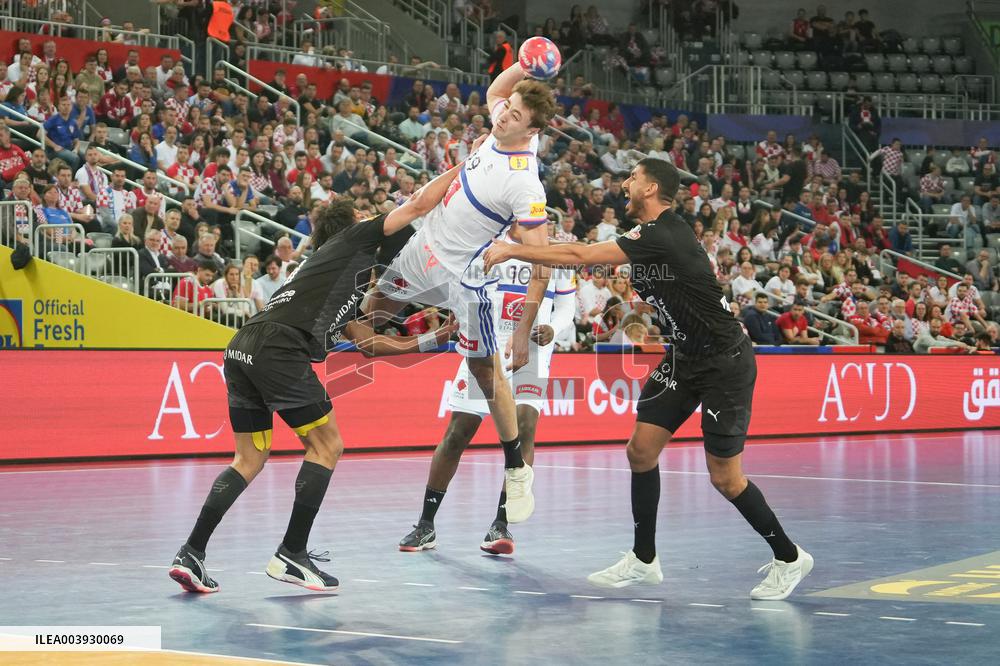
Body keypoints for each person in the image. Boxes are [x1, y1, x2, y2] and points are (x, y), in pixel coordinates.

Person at [483, 158, 813, 599]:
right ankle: (643, 559)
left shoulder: (662, 233)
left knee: (726, 478)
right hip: (684, 358)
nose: (626, 182)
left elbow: (582, 256)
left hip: (724, 362)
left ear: (652, 188)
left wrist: (514, 248)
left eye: (634, 178)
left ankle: (790, 558)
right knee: (641, 451)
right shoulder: (652, 237)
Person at [168, 167, 464, 595]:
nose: (372, 218)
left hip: (242, 347)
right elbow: (417, 204)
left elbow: (369, 344)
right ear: (351, 226)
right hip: (279, 348)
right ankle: (292, 552)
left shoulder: (328, 276)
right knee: (327, 445)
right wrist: (467, 164)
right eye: (363, 214)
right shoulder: (353, 240)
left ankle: (191, 552)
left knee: (248, 459)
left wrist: (436, 337)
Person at [365, 62, 558, 528]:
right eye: (506, 109)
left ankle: (516, 468)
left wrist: (524, 333)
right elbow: (495, 86)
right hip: (424, 248)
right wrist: (524, 66)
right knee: (371, 310)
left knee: (486, 373)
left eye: (514, 115)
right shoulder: (500, 124)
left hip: (466, 278)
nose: (503, 114)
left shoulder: (525, 183)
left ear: (531, 131)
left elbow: (543, 262)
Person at [398, 251, 576, 554]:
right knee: (458, 432)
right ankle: (425, 525)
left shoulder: (554, 254)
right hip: (487, 344)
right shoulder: (489, 246)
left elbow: (566, 307)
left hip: (531, 351)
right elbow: (461, 286)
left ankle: (501, 525)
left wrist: (554, 329)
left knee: (524, 427)